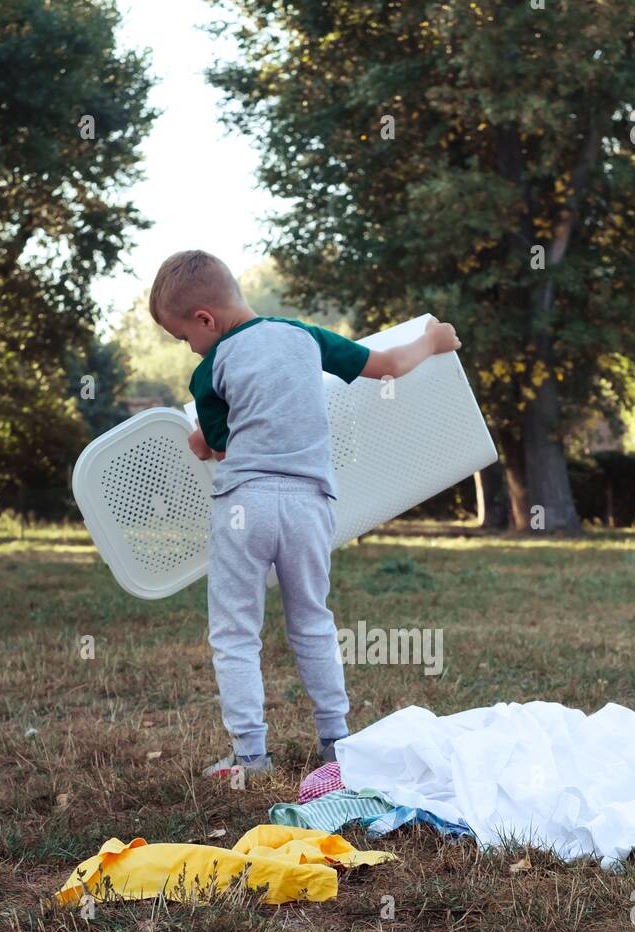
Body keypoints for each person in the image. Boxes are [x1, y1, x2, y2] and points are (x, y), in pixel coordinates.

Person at [149, 250, 460, 778]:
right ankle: (336, 743)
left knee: (235, 631)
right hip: (310, 505)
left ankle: (251, 754)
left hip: (245, 506)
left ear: (205, 319)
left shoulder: (210, 371)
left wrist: (201, 441)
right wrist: (432, 341)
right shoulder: (305, 336)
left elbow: (220, 444)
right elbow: (385, 366)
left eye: (185, 338)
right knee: (314, 622)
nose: (190, 348)